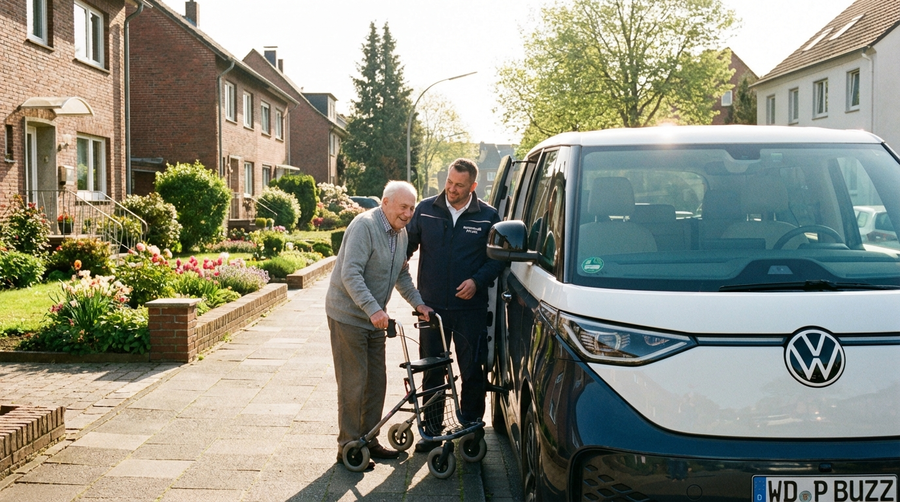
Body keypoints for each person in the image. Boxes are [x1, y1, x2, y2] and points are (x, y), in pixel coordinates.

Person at [326, 180, 433, 471]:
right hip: (348, 315)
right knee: (353, 382)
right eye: (403, 207)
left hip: (374, 318)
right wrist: (373, 309)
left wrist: (418, 303)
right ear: (385, 203)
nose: (409, 213)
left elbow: (401, 274)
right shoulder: (365, 226)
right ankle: (348, 446)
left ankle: (369, 439)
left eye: (412, 208)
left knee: (376, 382)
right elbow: (350, 273)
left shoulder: (399, 233)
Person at [406, 158, 504, 452]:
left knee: (473, 370)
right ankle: (432, 432)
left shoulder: (488, 216)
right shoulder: (425, 210)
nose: (451, 189)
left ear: (473, 186)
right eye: (449, 182)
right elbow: (405, 247)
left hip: (470, 311)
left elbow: (496, 259)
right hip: (431, 309)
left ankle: (471, 429)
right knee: (433, 370)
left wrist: (477, 281)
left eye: (459, 185)